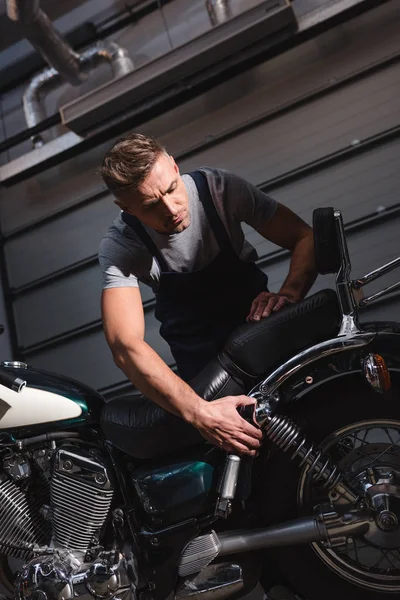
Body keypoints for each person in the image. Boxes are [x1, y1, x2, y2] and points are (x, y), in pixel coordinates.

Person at [98, 132, 317, 458]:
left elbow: (305, 237)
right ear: (125, 208)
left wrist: (289, 292)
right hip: (207, 376)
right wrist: (200, 412)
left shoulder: (220, 191)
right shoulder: (123, 245)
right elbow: (125, 346)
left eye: (172, 189)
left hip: (264, 347)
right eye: (150, 206)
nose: (170, 209)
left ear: (174, 166)